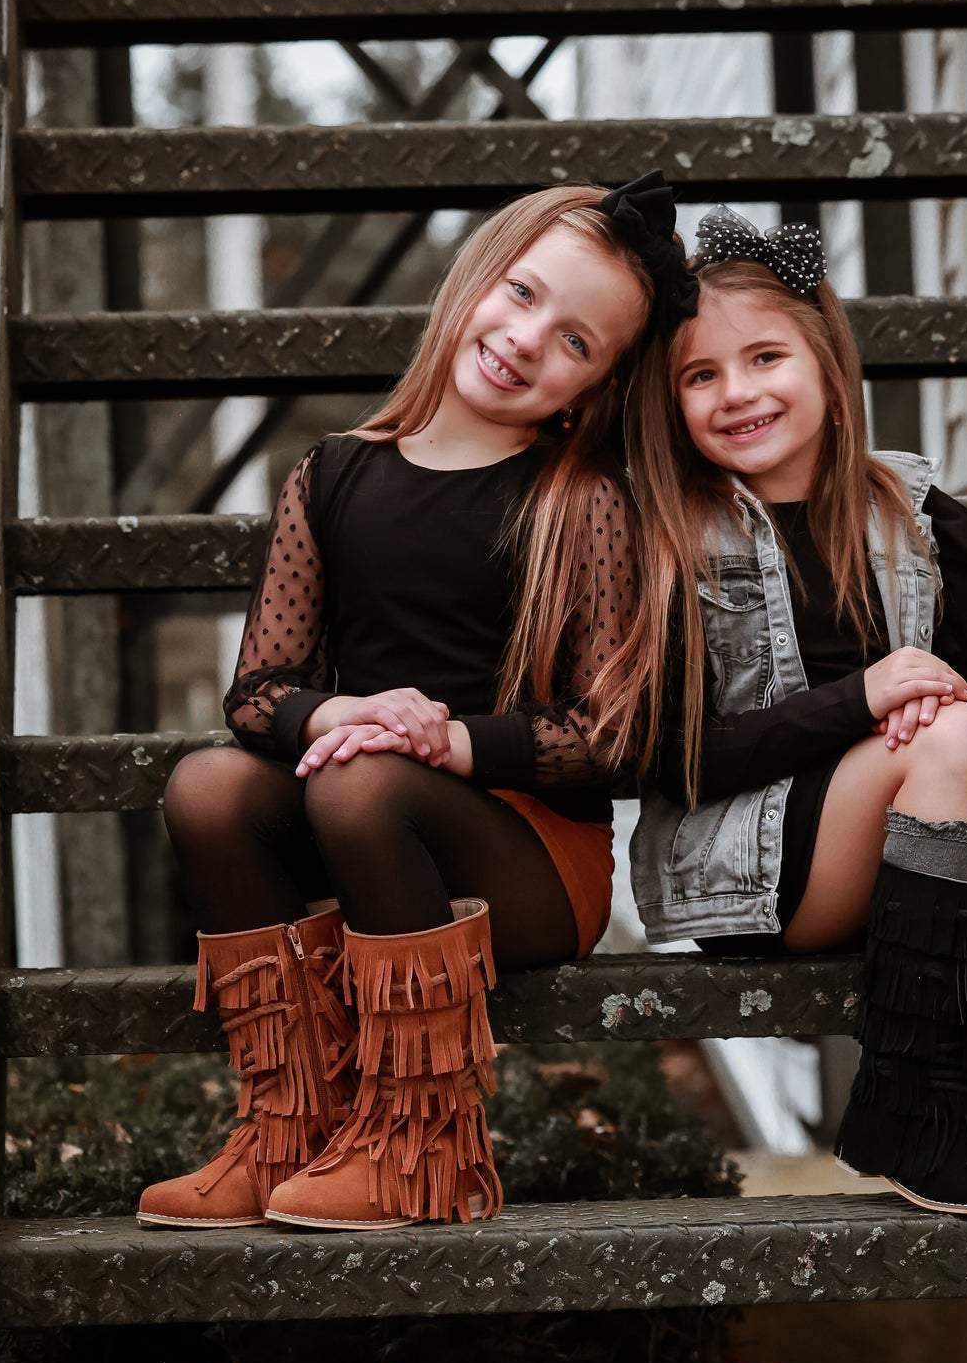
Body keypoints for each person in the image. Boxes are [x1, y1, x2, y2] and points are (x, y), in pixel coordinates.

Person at [137, 174, 696, 1235]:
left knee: (364, 786)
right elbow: (256, 693)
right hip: (367, 817)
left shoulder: (579, 502)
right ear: (476, 278)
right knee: (207, 785)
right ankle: (286, 1127)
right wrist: (327, 716)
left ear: (591, 388)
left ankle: (421, 1144)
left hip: (527, 863)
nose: (529, 338)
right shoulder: (334, 473)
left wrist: (449, 742)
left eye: (576, 341)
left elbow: (610, 738)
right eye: (522, 294)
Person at [625, 207, 967, 1218]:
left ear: (825, 363)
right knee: (958, 732)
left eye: (765, 356)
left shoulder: (906, 505)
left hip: (911, 848)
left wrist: (929, 712)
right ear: (667, 400)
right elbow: (672, 758)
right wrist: (867, 702)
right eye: (700, 374)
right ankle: (909, 1100)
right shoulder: (669, 530)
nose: (739, 391)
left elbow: (961, 697)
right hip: (754, 867)